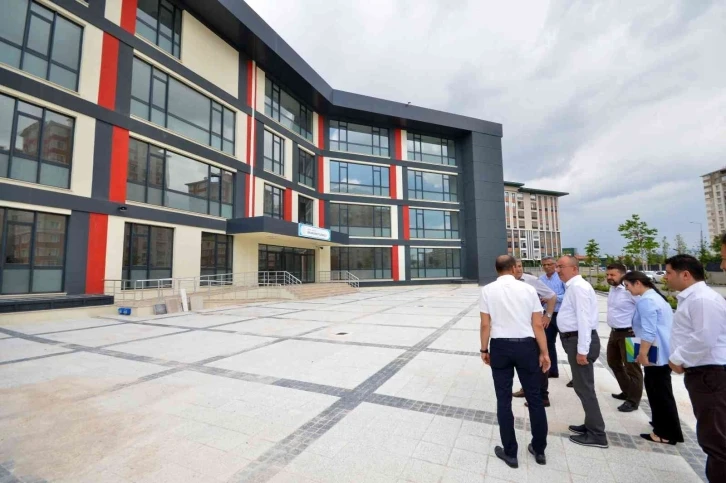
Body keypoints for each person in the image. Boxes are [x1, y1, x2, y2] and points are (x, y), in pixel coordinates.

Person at [480, 255, 551, 468]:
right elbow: (537, 325)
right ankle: (539, 450)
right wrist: (544, 352)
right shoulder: (528, 289)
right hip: (526, 346)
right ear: (513, 268)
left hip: (500, 347)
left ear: (496, 269)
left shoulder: (487, 290)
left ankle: (511, 453)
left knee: (503, 400)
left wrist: (484, 349)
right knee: (535, 397)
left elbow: (485, 325)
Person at [665, 254, 726, 482]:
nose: (665, 277)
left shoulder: (702, 299)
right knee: (712, 435)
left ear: (685, 274)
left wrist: (678, 358)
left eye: (669, 272)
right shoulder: (692, 298)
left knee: (716, 439)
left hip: (710, 374)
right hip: (703, 373)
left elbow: (704, 337)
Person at [622, 271, 683, 445]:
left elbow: (649, 331)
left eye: (627, 285)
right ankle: (663, 425)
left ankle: (665, 433)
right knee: (660, 391)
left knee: (659, 393)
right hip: (662, 352)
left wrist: (642, 353)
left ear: (638, 283)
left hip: (655, 353)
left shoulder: (647, 301)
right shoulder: (655, 298)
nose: (627, 290)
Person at [555, 255, 608, 448]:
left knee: (584, 388)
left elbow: (584, 319)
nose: (558, 270)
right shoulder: (573, 287)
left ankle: (597, 434)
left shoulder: (578, 287)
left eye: (561, 266)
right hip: (575, 339)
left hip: (579, 340)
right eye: (557, 266)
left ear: (574, 268)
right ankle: (591, 424)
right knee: (582, 386)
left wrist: (582, 350)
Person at [511, 259, 557, 407]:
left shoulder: (531, 280)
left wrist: (547, 315)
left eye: (520, 266)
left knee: (540, 360)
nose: (519, 269)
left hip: (535, 326)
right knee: (524, 361)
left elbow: (552, 296)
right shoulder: (507, 283)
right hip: (520, 328)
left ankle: (543, 396)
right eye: (516, 267)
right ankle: (526, 389)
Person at [605, 263, 642, 412]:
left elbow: (643, 309)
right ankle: (627, 391)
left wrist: (638, 330)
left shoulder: (630, 290)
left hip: (630, 334)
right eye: (607, 275)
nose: (609, 277)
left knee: (632, 368)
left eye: (612, 275)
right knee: (613, 362)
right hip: (614, 332)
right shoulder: (613, 289)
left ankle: (633, 401)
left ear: (622, 274)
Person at [539, 256, 566, 379]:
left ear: (555, 265)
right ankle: (552, 370)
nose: (547, 267)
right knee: (548, 343)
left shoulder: (561, 278)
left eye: (549, 264)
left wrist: (552, 298)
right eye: (544, 265)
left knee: (567, 344)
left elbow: (567, 295)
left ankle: (577, 376)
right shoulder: (540, 280)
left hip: (562, 314)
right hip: (547, 316)